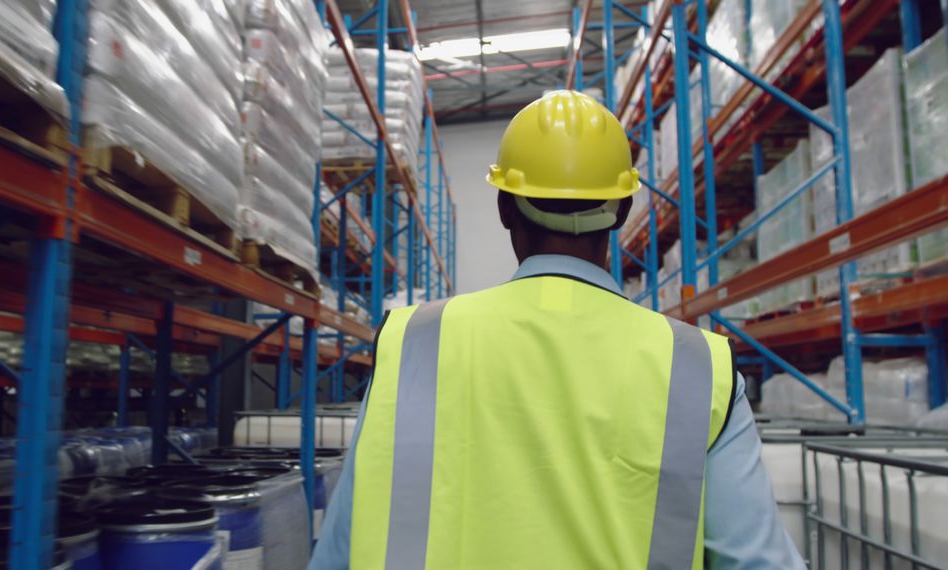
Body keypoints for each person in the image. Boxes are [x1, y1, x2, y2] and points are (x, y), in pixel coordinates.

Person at [309, 91, 802, 569]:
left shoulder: (412, 344)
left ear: (505, 209)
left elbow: (342, 547)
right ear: (622, 212)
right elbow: (755, 558)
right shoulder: (700, 367)